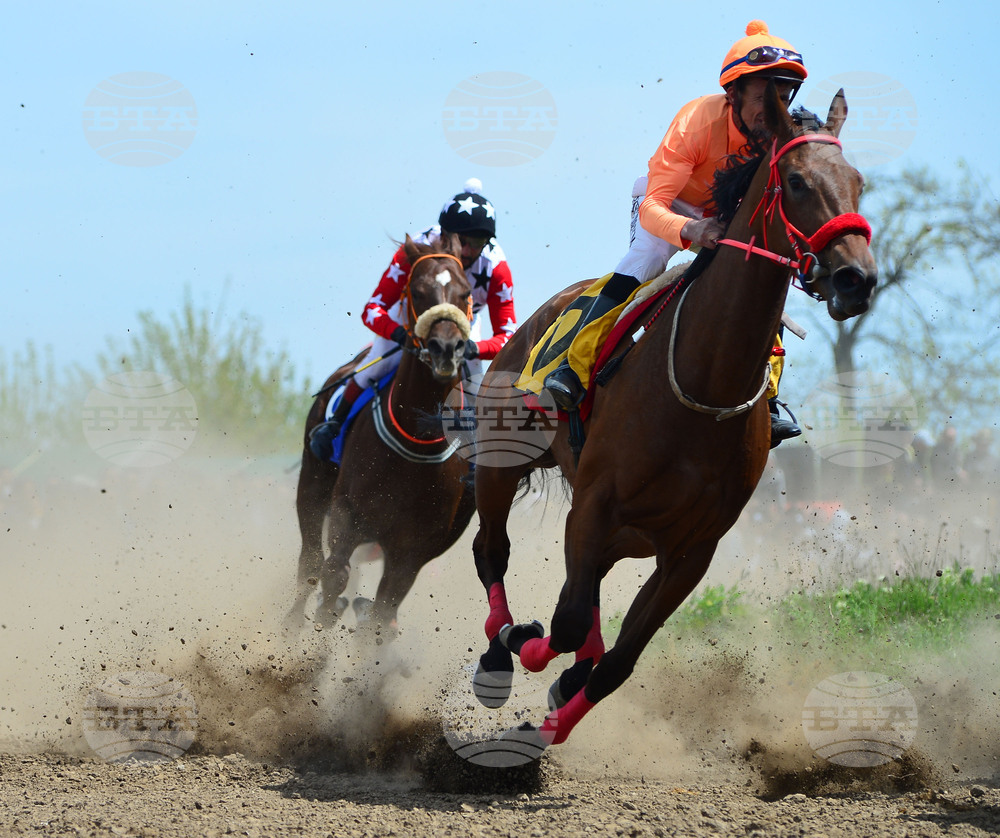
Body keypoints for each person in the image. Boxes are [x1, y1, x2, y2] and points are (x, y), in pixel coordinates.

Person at [542, 20, 807, 444]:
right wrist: (691, 228)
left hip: (726, 213)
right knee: (646, 260)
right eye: (762, 96)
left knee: (760, 276)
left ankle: (768, 400)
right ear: (733, 93)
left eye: (782, 96)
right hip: (671, 203)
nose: (772, 108)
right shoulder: (695, 123)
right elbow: (652, 208)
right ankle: (571, 366)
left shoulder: (778, 134)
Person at [309, 179, 518, 461]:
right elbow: (373, 309)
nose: (468, 251)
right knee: (374, 367)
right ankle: (334, 427)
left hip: (464, 323)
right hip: (409, 319)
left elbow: (508, 334)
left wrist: (474, 349)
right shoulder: (414, 251)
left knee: (478, 388)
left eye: (478, 242)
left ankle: (479, 467)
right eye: (461, 241)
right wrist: (398, 334)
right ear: (444, 234)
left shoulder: (496, 267)